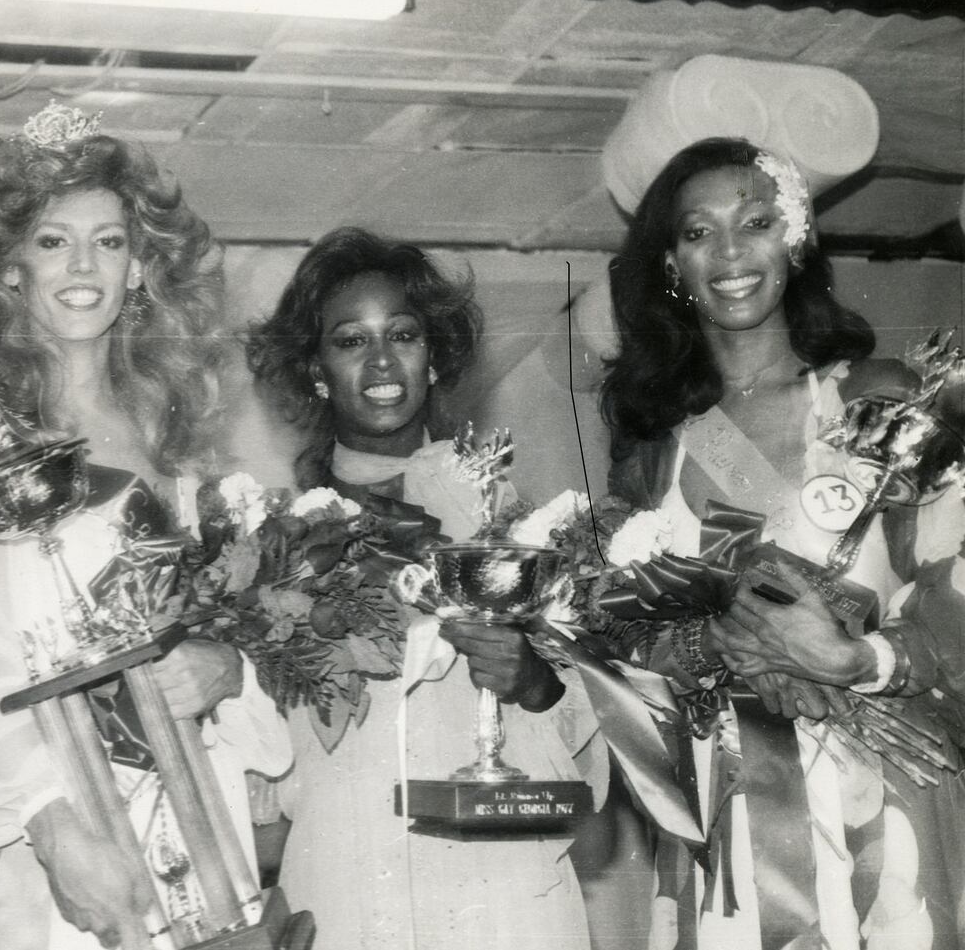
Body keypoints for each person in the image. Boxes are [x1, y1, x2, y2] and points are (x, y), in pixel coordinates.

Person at [0, 103, 292, 950]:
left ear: (141, 266)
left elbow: (218, 618)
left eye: (109, 241)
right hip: (70, 822)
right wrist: (50, 825)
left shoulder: (172, 433)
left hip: (198, 804)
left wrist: (227, 671)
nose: (83, 265)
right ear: (7, 268)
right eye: (52, 240)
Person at [599, 136, 965, 950]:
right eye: (698, 233)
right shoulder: (656, 452)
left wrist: (859, 658)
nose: (730, 252)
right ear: (671, 264)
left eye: (756, 221)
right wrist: (711, 643)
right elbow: (620, 644)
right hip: (728, 808)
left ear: (796, 238)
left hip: (886, 796)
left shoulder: (886, 401)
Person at [245, 226, 602, 950]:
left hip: (498, 890)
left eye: (401, 334)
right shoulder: (270, 544)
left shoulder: (511, 519)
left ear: (432, 356)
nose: (380, 360)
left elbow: (590, 734)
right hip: (345, 884)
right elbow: (263, 773)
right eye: (350, 340)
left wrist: (531, 678)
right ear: (316, 369)